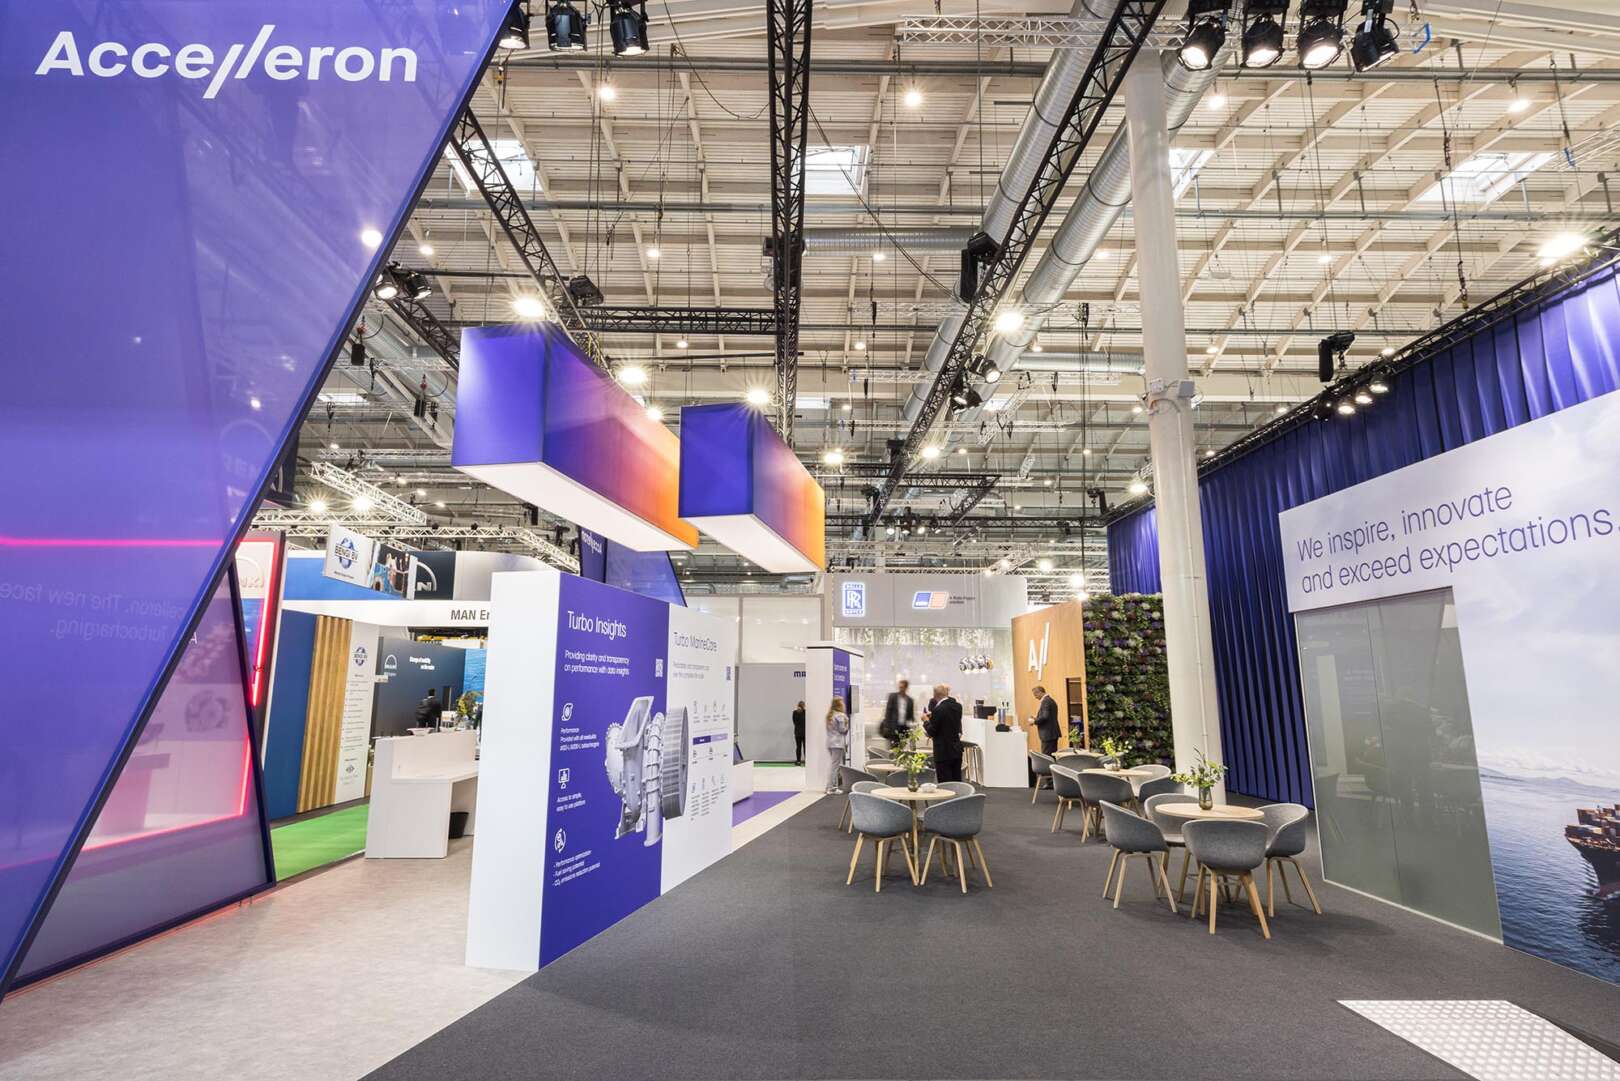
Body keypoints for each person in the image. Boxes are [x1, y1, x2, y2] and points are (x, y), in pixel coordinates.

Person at [925, 683, 965, 783]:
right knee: (956, 782)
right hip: (956, 750)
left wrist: (926, 721)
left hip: (943, 752)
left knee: (945, 783)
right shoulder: (958, 707)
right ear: (947, 693)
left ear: (934, 694)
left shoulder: (938, 709)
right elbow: (948, 723)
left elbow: (932, 731)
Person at [825, 696, 850, 793]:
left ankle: (832, 787)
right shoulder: (840, 716)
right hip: (837, 744)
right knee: (835, 766)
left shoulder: (830, 715)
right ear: (839, 705)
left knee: (834, 765)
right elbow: (842, 730)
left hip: (830, 743)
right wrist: (847, 724)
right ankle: (830, 787)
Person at [1029, 685, 1060, 755]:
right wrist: (1036, 717)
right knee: (1051, 755)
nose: (1035, 697)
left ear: (1040, 692)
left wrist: (1034, 721)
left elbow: (1045, 717)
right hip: (1051, 733)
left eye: (1035, 695)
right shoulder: (1049, 700)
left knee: (1046, 756)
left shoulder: (1046, 701)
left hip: (1048, 734)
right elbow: (1047, 716)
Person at [791, 700, 806, 766]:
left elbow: (794, 722)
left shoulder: (794, 712)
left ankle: (798, 761)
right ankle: (806, 761)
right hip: (805, 733)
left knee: (798, 747)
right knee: (805, 747)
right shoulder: (805, 712)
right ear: (804, 706)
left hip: (797, 733)